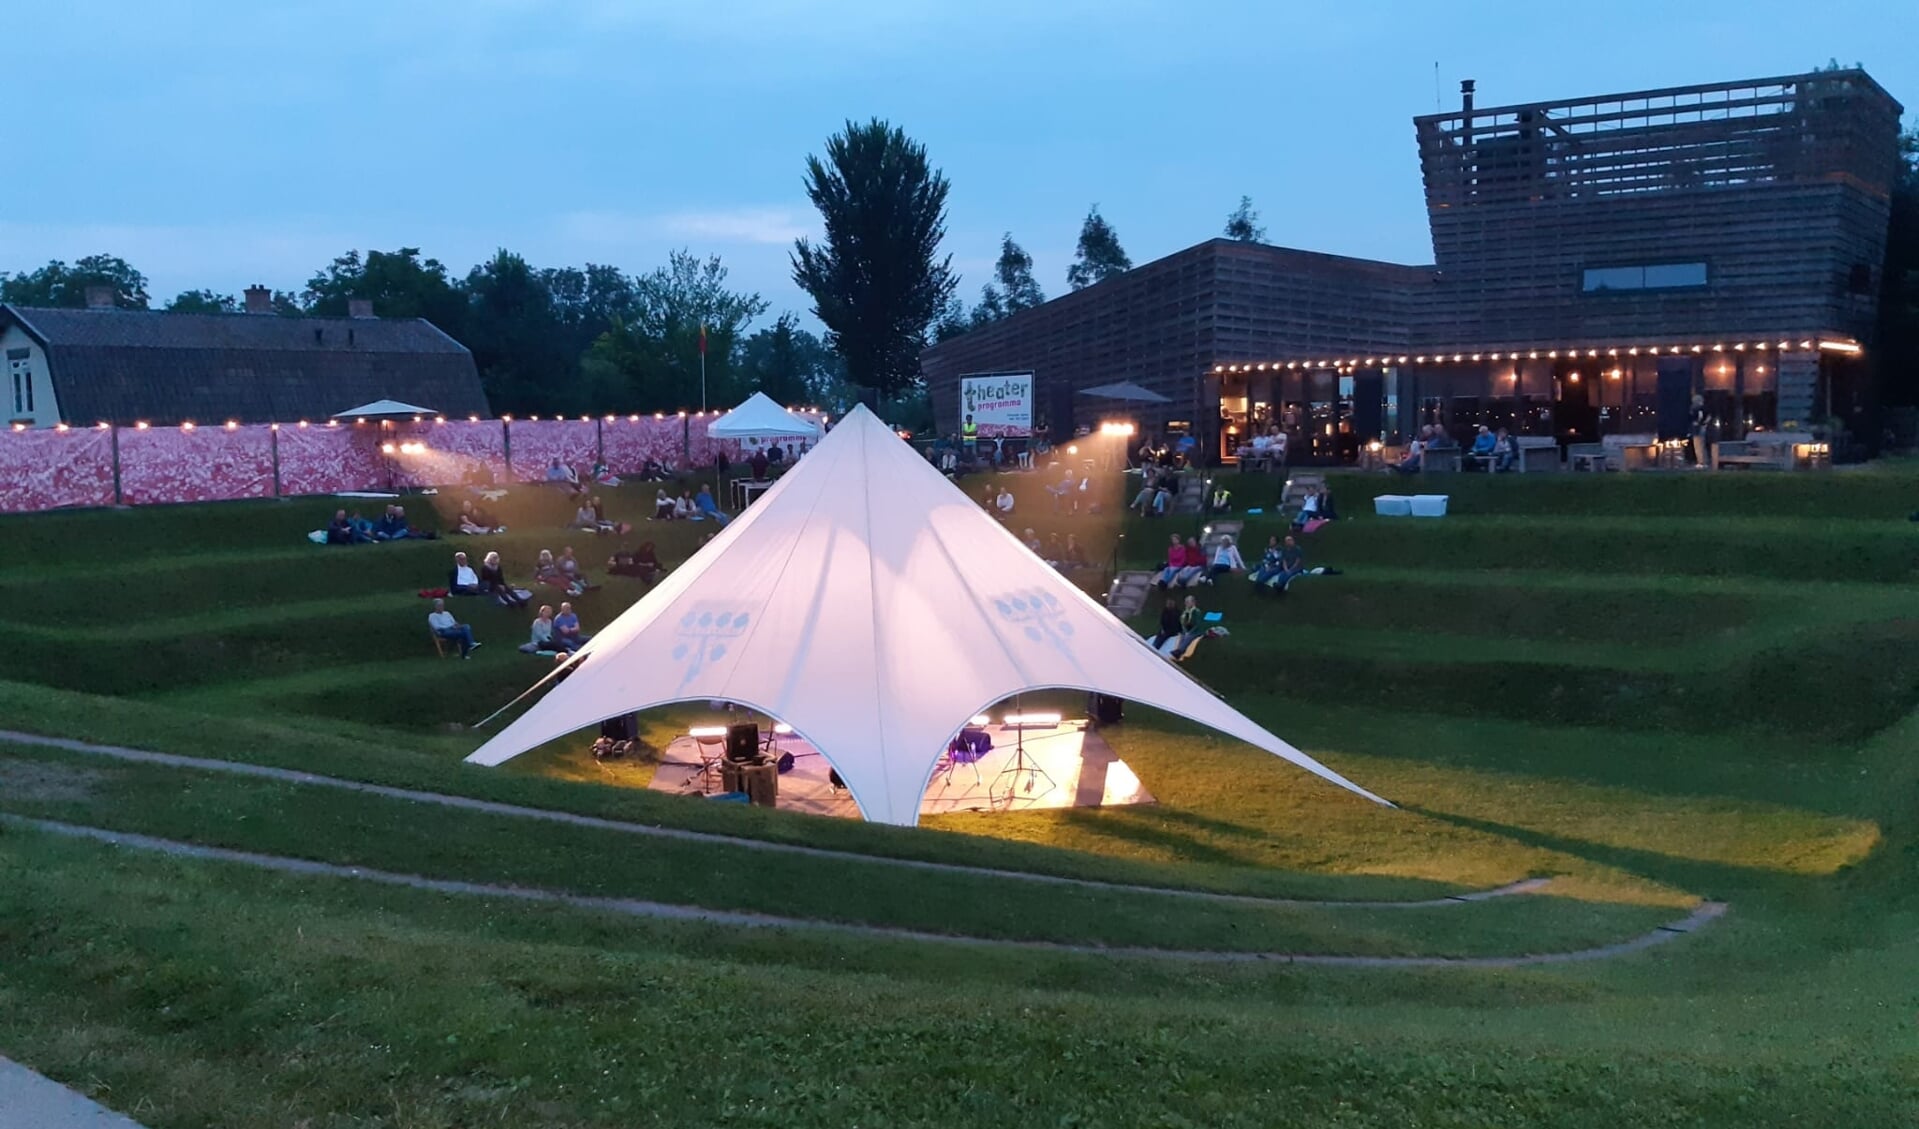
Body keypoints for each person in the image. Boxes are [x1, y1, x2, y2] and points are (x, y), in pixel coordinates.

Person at [1690, 395, 1713, 468]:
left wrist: (1698, 422)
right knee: (1702, 445)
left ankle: (1701, 462)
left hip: (1697, 428)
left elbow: (1699, 416)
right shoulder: (1705, 408)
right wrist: (1705, 423)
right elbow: (1709, 417)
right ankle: (1705, 461)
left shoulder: (1696, 408)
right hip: (1703, 428)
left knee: (1698, 445)